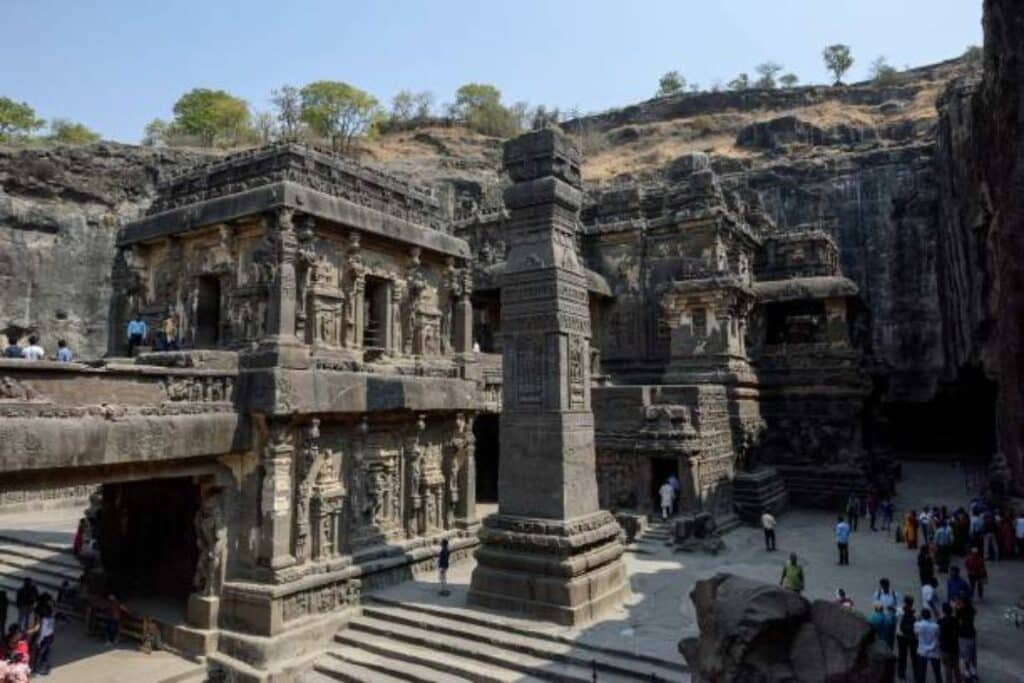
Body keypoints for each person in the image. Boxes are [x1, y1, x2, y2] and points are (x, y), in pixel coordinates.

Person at [914, 608, 942, 683]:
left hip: (922, 651)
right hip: (934, 651)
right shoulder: (936, 626)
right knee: (937, 673)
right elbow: (938, 636)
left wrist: (917, 619)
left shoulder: (917, 625)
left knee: (921, 674)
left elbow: (916, 635)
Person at [896, 596, 920, 681]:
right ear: (912, 602)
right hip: (912, 636)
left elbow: (896, 619)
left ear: (904, 602)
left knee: (902, 655)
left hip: (901, 635)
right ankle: (917, 675)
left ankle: (901, 674)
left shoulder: (899, 611)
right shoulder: (916, 613)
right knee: (914, 656)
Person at [937, 603, 961, 683]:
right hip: (954, 646)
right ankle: (958, 680)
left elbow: (939, 620)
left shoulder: (942, 621)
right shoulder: (955, 620)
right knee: (956, 666)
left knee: (947, 668)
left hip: (945, 647)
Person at [32, 599, 55, 676]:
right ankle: (47, 669)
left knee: (39, 655)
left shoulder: (43, 620)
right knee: (46, 655)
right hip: (50, 638)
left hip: (43, 640)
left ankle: (36, 669)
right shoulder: (51, 617)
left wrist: (38, 641)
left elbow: (41, 633)